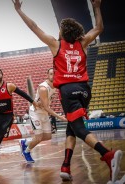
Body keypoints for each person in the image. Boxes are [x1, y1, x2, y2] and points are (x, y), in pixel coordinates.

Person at [13, 0, 122, 182]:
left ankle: (108, 155)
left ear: (63, 31)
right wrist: (96, 7)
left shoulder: (56, 45)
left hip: (69, 90)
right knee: (71, 129)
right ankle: (65, 166)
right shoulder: (83, 42)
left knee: (78, 129)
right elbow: (99, 28)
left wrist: (19, 10)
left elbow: (34, 26)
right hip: (85, 90)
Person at [19, 68, 67, 162]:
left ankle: (25, 143)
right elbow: (46, 107)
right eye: (51, 74)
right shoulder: (43, 88)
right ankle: (27, 151)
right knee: (39, 137)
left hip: (44, 112)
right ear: (47, 75)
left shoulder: (55, 86)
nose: (53, 75)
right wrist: (59, 117)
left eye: (54, 74)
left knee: (48, 136)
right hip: (36, 112)